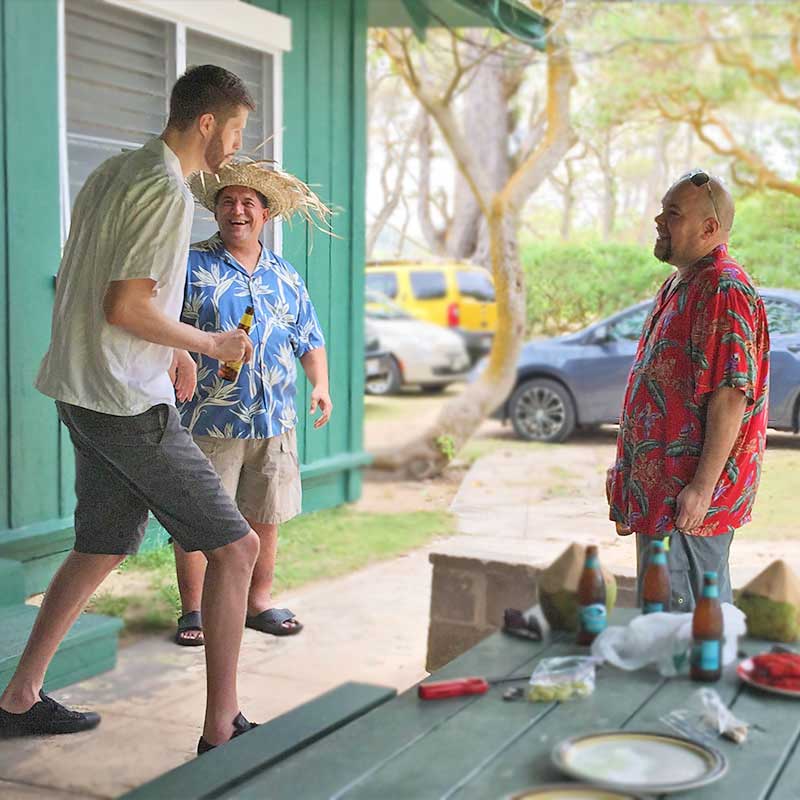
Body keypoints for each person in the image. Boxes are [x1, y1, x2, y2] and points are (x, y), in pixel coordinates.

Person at [0, 65, 262, 755]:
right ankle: (221, 727)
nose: (235, 145)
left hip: (80, 385)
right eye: (234, 130)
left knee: (102, 544)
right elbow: (125, 305)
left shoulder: (115, 171)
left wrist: (168, 345)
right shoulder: (165, 191)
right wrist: (206, 340)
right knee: (238, 550)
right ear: (206, 123)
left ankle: (18, 697)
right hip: (123, 402)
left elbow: (104, 279)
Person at [170, 161, 332, 646]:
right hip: (208, 416)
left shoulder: (285, 273)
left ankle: (256, 601)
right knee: (200, 517)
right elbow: (161, 321)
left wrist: (320, 384)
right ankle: (193, 610)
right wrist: (179, 352)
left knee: (266, 511)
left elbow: (309, 336)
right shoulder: (191, 263)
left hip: (275, 417)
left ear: (265, 214)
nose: (236, 210)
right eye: (227, 202)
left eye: (247, 203)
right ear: (216, 212)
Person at [606, 169, 770, 612]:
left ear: (709, 228)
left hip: (687, 508)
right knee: (664, 625)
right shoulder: (684, 281)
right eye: (662, 210)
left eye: (673, 213)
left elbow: (731, 393)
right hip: (662, 500)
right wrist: (628, 475)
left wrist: (701, 488)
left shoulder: (723, 287)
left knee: (687, 631)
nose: (659, 221)